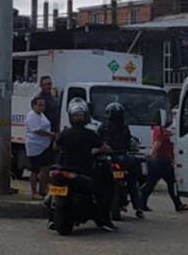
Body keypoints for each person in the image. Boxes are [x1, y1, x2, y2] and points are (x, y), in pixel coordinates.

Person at [55, 98, 115, 232]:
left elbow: (56, 146)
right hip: (84, 171)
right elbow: (105, 148)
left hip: (63, 169)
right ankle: (103, 219)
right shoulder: (90, 134)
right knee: (103, 190)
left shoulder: (65, 133)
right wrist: (98, 150)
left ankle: (52, 219)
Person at [97, 102, 146, 218]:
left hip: (111, 159)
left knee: (102, 179)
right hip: (122, 158)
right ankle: (138, 207)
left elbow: (97, 141)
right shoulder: (124, 127)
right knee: (133, 182)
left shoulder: (103, 127)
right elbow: (128, 144)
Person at [142, 110, 188, 213]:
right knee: (170, 183)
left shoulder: (160, 129)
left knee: (154, 184)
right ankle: (178, 204)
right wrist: (151, 155)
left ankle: (142, 203)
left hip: (162, 161)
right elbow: (158, 143)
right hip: (160, 161)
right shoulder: (160, 130)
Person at [24, 95, 56, 199]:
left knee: (46, 168)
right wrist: (51, 134)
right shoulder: (31, 116)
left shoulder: (42, 115)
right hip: (35, 146)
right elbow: (37, 130)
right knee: (35, 170)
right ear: (33, 105)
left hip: (44, 146)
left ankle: (43, 189)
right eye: (39, 105)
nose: (42, 107)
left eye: (43, 105)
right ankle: (34, 192)